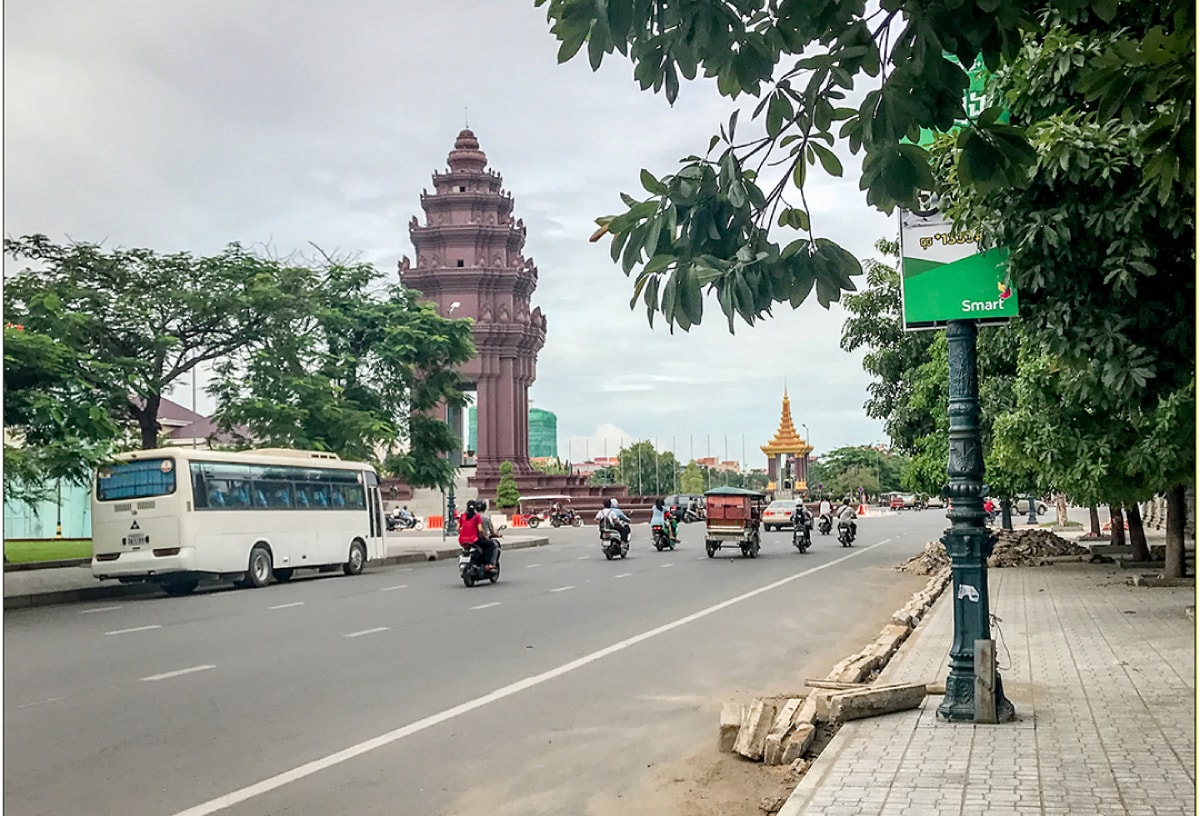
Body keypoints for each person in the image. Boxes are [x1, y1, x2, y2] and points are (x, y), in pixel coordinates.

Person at [458, 500, 491, 570]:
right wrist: (485, 537)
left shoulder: (462, 516)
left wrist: (463, 533)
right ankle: (487, 564)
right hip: (473, 540)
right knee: (489, 545)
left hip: (462, 541)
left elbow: (457, 528)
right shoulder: (476, 516)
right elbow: (481, 530)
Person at [475, 499, 501, 570]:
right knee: (494, 545)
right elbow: (491, 531)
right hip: (482, 539)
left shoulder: (471, 517)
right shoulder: (485, 518)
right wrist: (497, 535)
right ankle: (491, 563)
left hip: (472, 539)